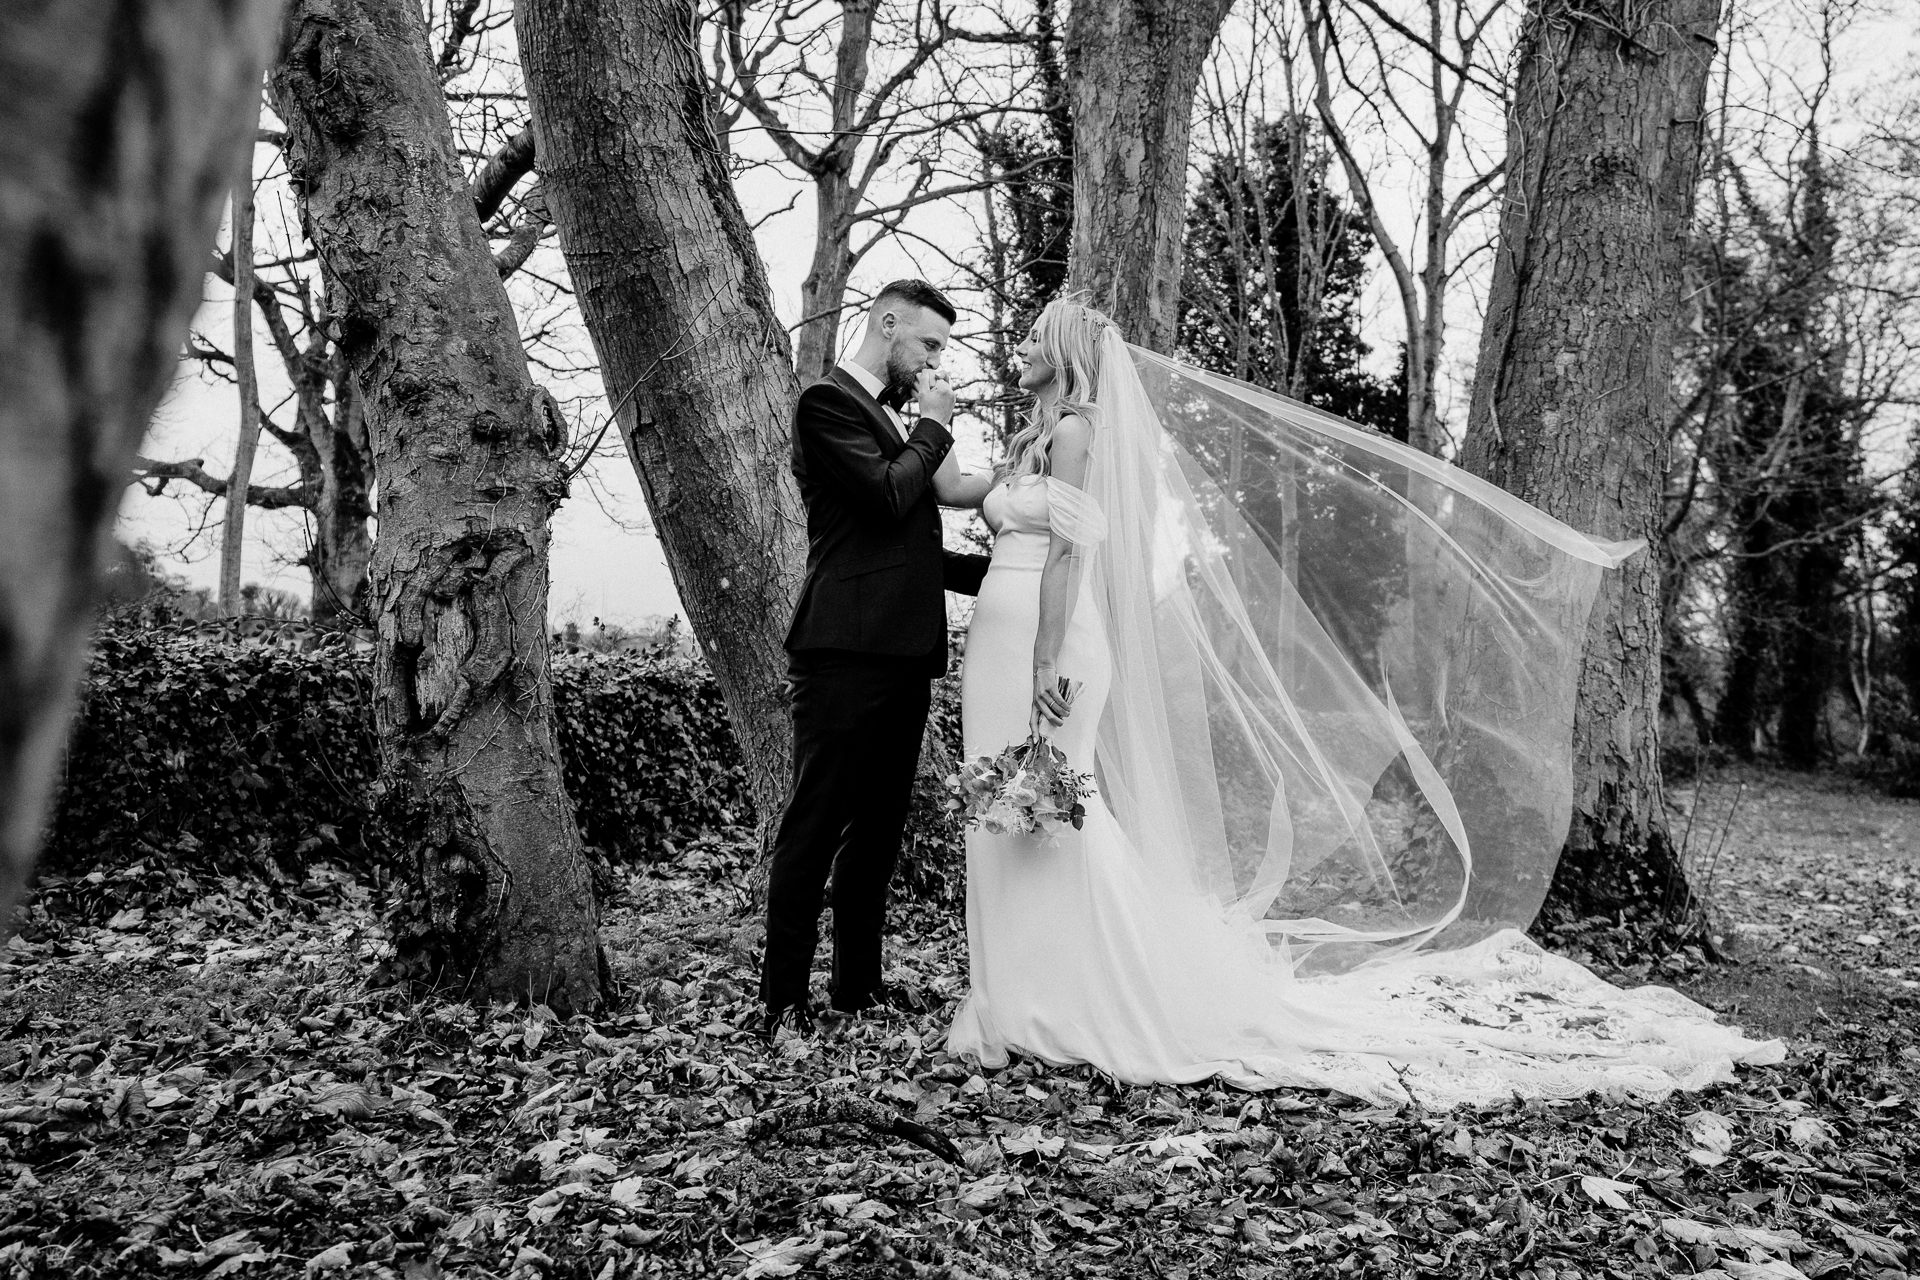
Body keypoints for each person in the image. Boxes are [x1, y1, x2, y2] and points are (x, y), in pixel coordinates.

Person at [936, 298, 1783, 1106]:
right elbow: (956, 493)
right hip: (997, 646)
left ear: (1067, 356)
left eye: (1033, 339)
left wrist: (1051, 654)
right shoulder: (1030, 440)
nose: (1019, 349)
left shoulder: (1082, 433)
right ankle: (1016, 990)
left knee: (1055, 811)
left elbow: (1068, 560)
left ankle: (1082, 992)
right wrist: (929, 418)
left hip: (1051, 645)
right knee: (1002, 811)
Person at [758, 280, 990, 1040]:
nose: (932, 362)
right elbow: (889, 499)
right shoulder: (824, 404)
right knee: (815, 825)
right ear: (887, 324)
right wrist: (934, 426)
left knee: (880, 831)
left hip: (902, 656)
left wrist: (1007, 573)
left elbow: (908, 542)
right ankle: (784, 1001)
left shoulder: (891, 419)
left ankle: (857, 986)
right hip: (840, 654)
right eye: (927, 344)